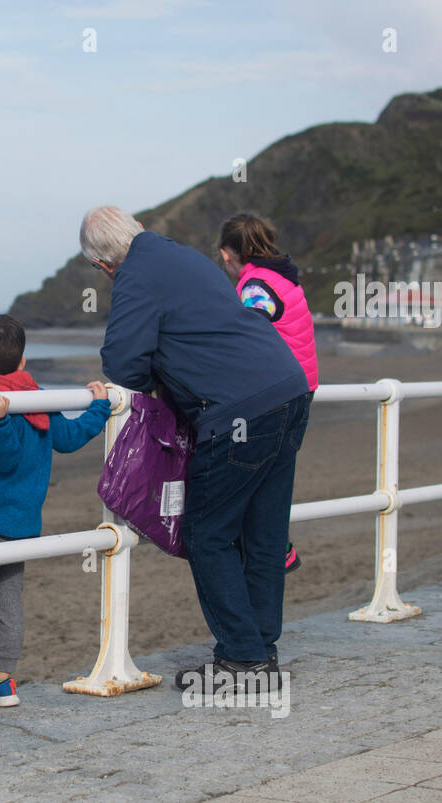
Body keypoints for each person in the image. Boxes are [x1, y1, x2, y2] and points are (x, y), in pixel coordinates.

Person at [80, 205, 310, 691]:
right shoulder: (182, 257)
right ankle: (261, 645)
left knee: (208, 533)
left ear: (103, 266)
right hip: (289, 390)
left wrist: (161, 379)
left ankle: (243, 659)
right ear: (138, 229)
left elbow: (121, 361)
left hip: (240, 411)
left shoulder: (135, 274)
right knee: (265, 532)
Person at [0, 314, 112, 710]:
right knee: (9, 605)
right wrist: (98, 408)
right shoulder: (38, 399)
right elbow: (68, 438)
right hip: (24, 527)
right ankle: (4, 681)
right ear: (22, 363)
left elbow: (3, 460)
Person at [218, 212, 318, 575]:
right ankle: (278, 549)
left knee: (246, 481)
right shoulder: (284, 277)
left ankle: (278, 549)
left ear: (229, 253)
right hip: (302, 391)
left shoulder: (256, 286)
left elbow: (249, 337)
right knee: (274, 481)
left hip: (274, 396)